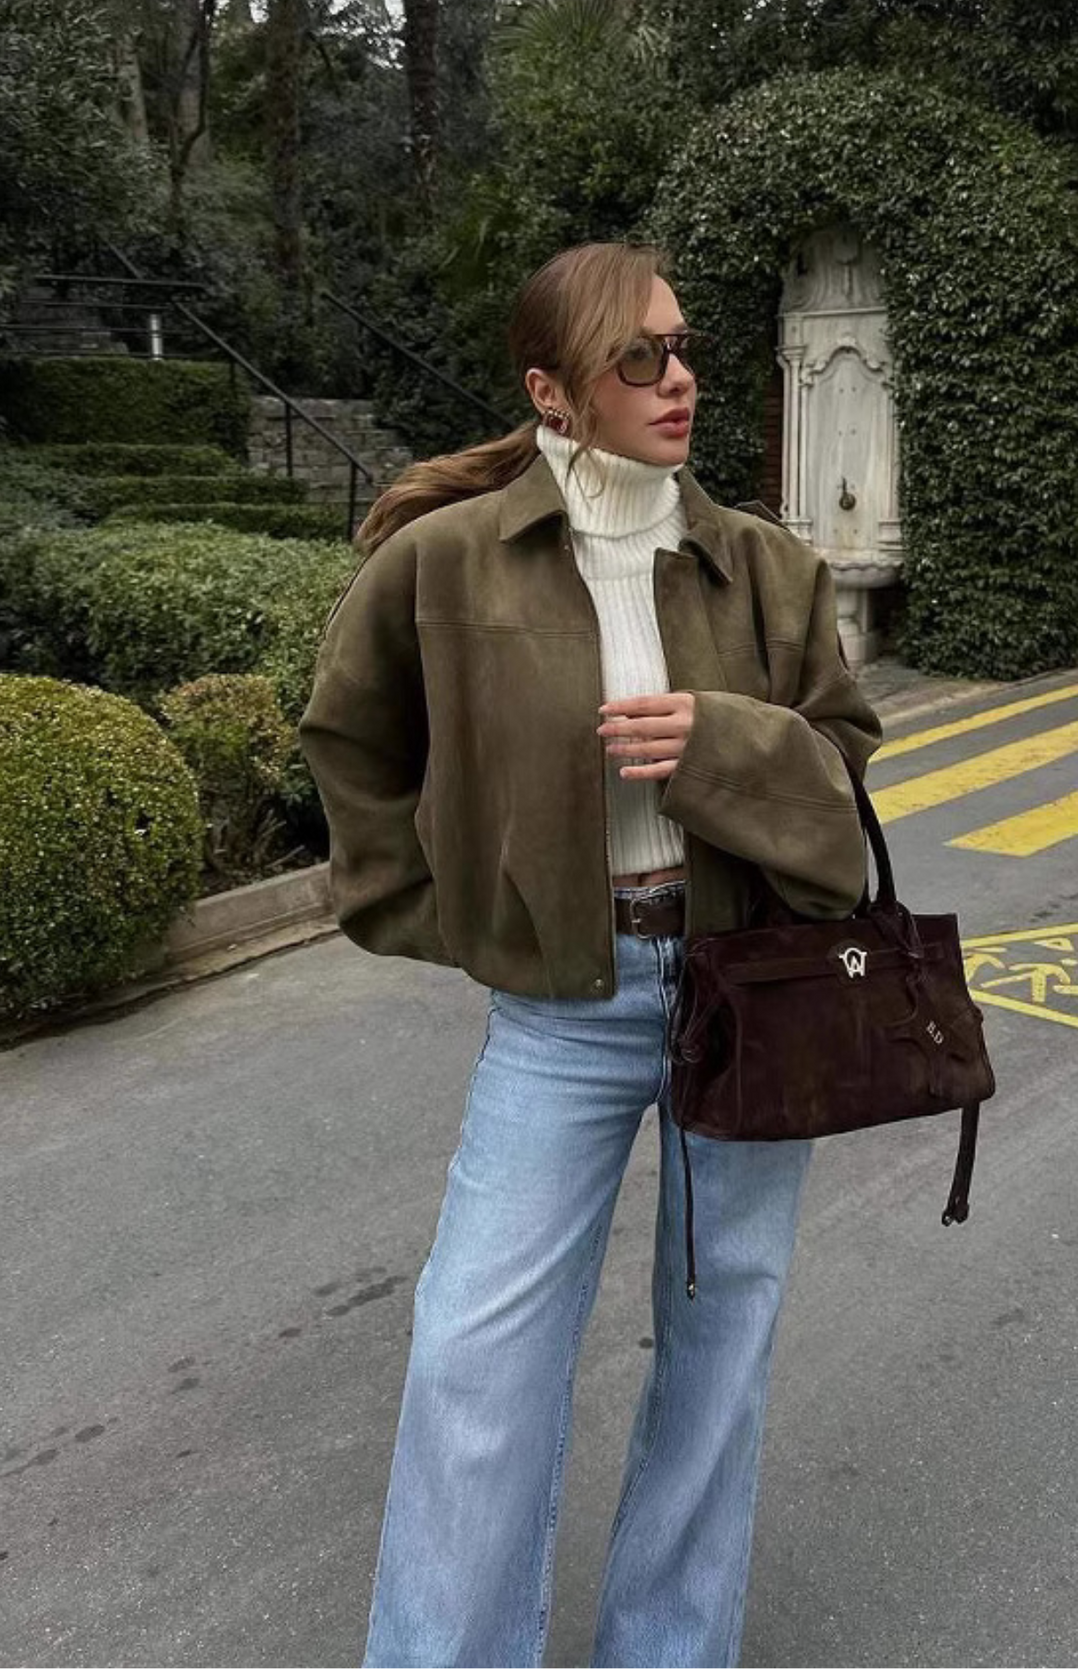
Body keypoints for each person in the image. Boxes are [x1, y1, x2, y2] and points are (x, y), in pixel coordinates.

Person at [298, 240, 882, 1669]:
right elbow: (351, 739)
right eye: (639, 357)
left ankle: (668, 1650)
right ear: (552, 391)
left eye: (682, 351)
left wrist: (721, 743)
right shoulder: (445, 560)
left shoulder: (763, 565)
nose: (677, 381)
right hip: (561, 1013)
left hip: (747, 995)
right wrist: (451, 912)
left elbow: (846, 768)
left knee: (719, 1347)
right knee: (473, 1351)